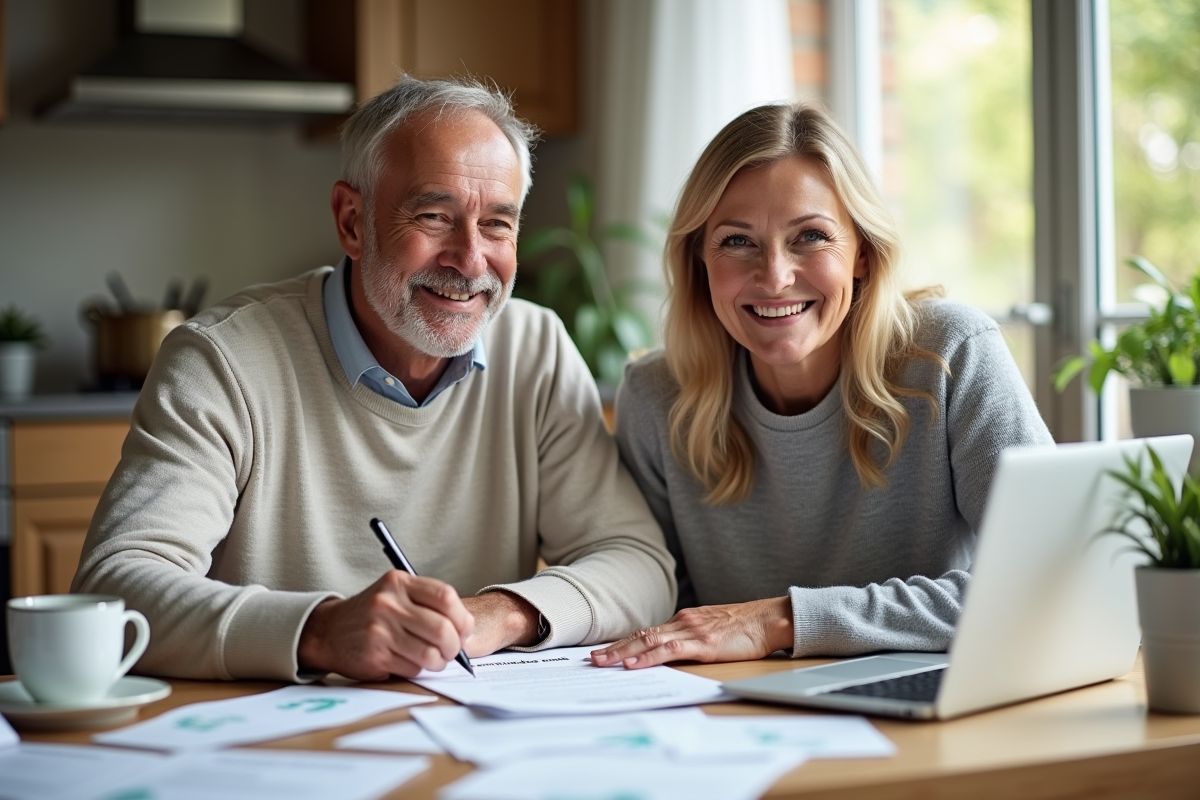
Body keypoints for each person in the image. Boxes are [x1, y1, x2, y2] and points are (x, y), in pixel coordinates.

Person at [72, 76, 675, 683]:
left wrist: (498, 614)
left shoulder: (535, 349)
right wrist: (321, 631)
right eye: (435, 216)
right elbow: (114, 589)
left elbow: (642, 565)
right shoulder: (221, 359)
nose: (469, 260)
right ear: (353, 221)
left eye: (497, 224)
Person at [591, 102, 1054, 671]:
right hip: (738, 714)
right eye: (738, 242)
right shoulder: (656, 395)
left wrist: (781, 619)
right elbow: (655, 604)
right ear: (700, 261)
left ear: (861, 252)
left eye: (810, 236)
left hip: (932, 699)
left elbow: (1046, 578)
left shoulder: (951, 353)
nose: (776, 276)